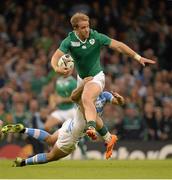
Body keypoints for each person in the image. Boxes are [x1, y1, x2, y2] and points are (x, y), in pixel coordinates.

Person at [51, 12, 156, 140]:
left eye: (88, 26)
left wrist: (138, 57)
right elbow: (55, 57)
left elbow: (118, 45)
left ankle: (91, 127)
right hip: (81, 79)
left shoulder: (96, 37)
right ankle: (107, 137)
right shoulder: (69, 41)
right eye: (83, 27)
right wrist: (57, 68)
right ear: (76, 29)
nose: (87, 29)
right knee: (78, 120)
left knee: (86, 97)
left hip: (96, 76)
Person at [1, 77, 124, 166]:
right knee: (50, 156)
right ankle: (22, 162)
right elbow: (73, 97)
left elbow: (119, 102)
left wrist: (120, 99)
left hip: (70, 124)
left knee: (50, 139)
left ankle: (23, 129)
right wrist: (82, 85)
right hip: (74, 133)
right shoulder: (84, 98)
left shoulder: (104, 95)